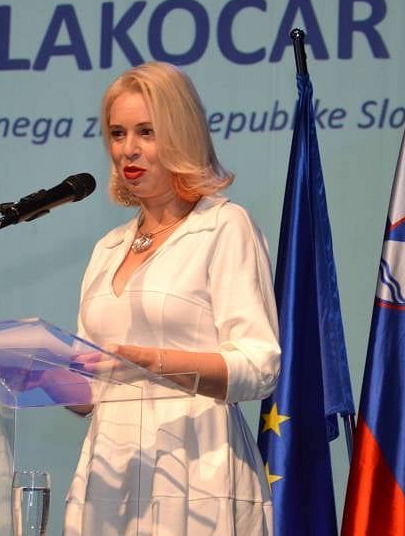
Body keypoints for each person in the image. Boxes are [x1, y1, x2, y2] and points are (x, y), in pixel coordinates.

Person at [64, 61, 281, 535]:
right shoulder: (108, 249)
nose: (128, 149)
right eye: (117, 134)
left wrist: (151, 360)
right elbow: (89, 391)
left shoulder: (224, 227)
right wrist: (42, 376)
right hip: (110, 477)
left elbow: (259, 367)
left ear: (181, 135)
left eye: (147, 132)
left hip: (198, 471)